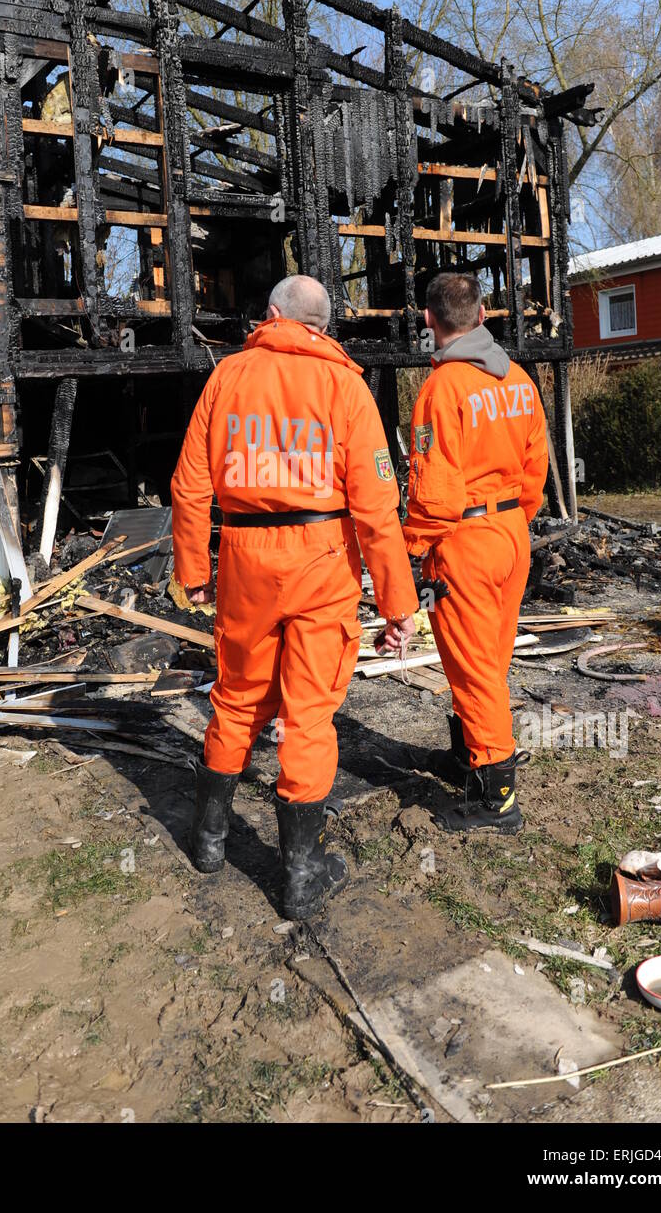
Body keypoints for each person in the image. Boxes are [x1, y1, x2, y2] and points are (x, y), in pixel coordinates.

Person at [171, 275, 418, 918]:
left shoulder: (227, 377)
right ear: (323, 327)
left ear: (272, 314)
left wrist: (194, 570)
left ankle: (208, 841)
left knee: (235, 695)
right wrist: (398, 603)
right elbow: (377, 506)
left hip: (245, 563)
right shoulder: (346, 386)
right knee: (308, 715)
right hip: (322, 564)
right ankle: (300, 876)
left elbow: (190, 484)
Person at [404, 272, 548, 833]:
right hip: (512, 533)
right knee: (491, 656)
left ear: (428, 320)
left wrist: (414, 551)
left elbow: (432, 488)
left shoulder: (442, 389)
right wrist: (513, 521)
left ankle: (497, 795)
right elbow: (535, 467)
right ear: (483, 314)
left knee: (473, 667)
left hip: (465, 541)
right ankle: (470, 752)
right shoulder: (517, 379)